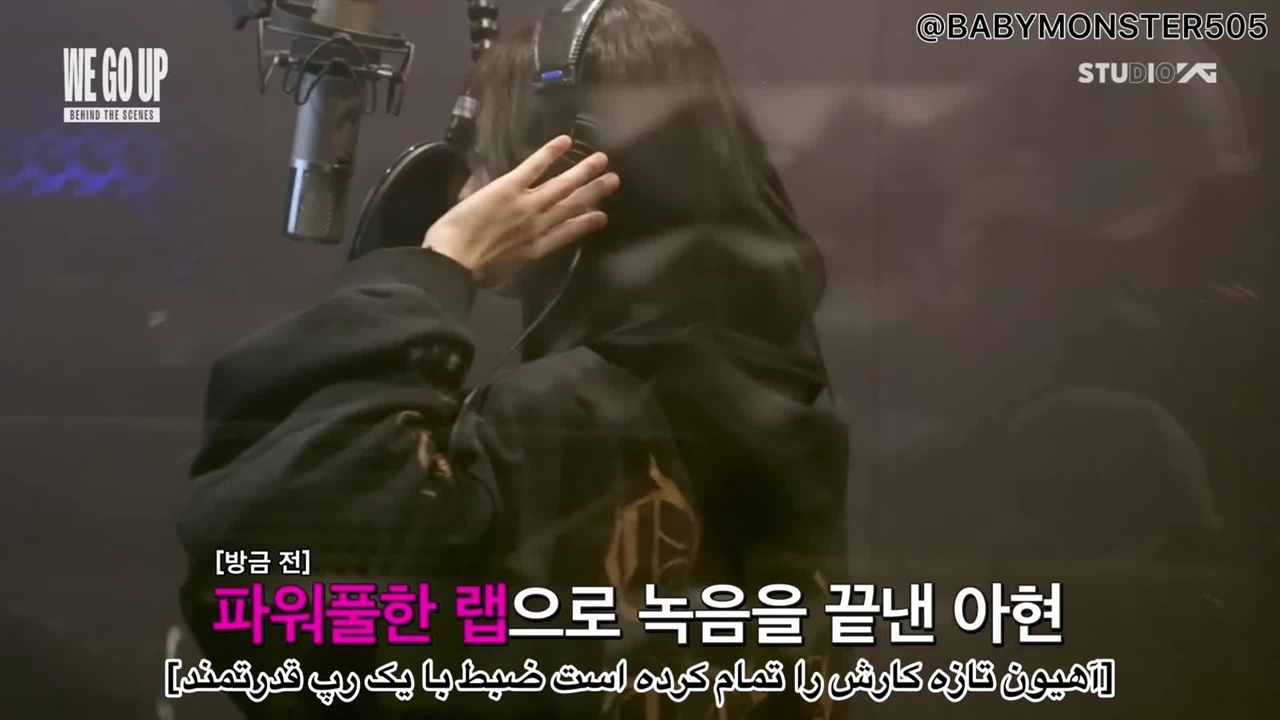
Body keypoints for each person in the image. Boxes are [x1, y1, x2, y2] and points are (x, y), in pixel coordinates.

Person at [177, 1, 847, 718]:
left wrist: (433, 272)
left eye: (485, 164)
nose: (468, 195)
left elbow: (280, 605)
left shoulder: (562, 414)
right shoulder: (786, 393)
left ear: (569, 169)